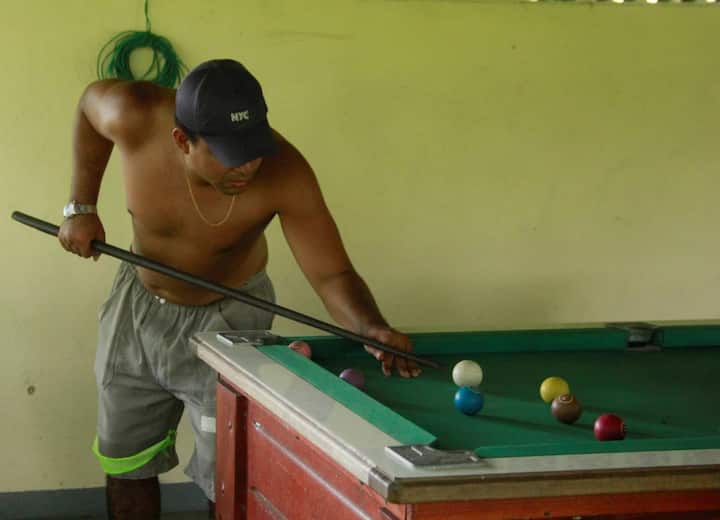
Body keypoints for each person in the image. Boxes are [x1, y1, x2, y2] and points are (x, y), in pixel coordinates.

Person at [58, 58, 421, 519]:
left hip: (230, 320)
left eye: (253, 149)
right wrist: (80, 206)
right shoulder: (134, 113)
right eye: (230, 154)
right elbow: (88, 107)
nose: (248, 167)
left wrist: (370, 326)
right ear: (182, 141)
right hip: (137, 310)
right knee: (126, 461)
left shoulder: (285, 171)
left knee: (228, 474)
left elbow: (333, 275)